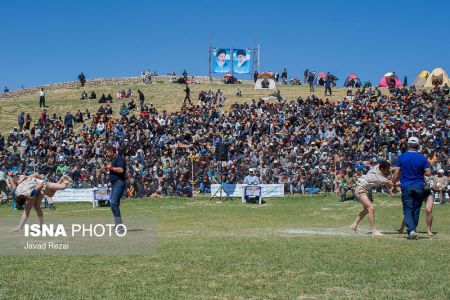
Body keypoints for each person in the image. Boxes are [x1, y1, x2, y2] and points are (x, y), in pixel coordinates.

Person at [392, 137, 431, 240]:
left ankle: (412, 231)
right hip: (419, 185)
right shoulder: (422, 158)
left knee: (408, 209)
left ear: (408, 145)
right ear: (418, 146)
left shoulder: (402, 157)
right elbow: (428, 173)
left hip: (406, 186)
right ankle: (413, 230)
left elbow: (396, 172)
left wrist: (393, 182)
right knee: (416, 209)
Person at [349, 161, 396, 236]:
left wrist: (397, 169)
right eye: (387, 170)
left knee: (366, 209)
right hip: (359, 189)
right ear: (382, 169)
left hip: (362, 188)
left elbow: (389, 172)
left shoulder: (378, 166)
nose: (388, 171)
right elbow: (391, 183)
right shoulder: (377, 176)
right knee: (370, 208)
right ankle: (374, 230)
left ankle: (354, 225)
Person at [106, 146, 126, 228]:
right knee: (114, 204)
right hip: (114, 184)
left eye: (107, 153)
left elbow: (121, 170)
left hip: (119, 183)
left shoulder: (119, 159)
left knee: (114, 204)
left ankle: (119, 225)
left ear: (112, 152)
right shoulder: (114, 160)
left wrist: (111, 167)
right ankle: (118, 224)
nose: (106, 154)